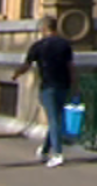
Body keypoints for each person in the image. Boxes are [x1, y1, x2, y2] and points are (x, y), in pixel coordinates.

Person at [13, 16, 76, 168]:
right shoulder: (65, 45)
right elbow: (71, 67)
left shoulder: (38, 46)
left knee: (54, 120)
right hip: (64, 85)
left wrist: (16, 74)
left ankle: (57, 153)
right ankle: (45, 150)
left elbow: (26, 65)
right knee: (56, 118)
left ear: (44, 29)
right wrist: (75, 85)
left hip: (48, 86)